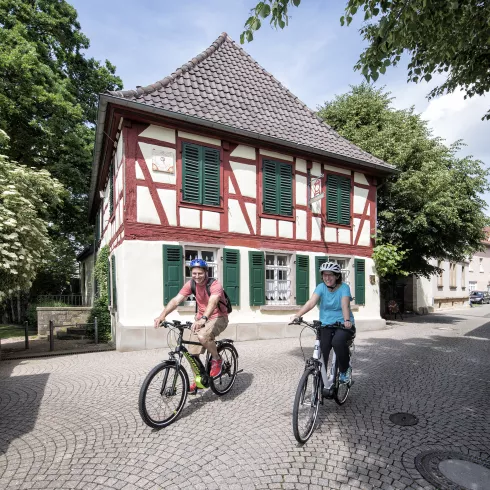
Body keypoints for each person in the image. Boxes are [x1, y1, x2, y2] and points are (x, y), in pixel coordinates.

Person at [154, 258, 229, 391]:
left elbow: (212, 302)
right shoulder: (191, 284)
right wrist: (162, 315)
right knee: (192, 353)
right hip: (201, 319)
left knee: (202, 337)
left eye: (200, 273)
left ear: (206, 272)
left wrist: (203, 318)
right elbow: (176, 300)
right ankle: (199, 380)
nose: (197, 276)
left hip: (219, 317)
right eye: (194, 273)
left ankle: (217, 359)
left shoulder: (214, 284)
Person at [291, 262, 355, 384]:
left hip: (343, 325)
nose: (327, 278)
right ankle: (321, 380)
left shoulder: (344, 288)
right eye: (325, 275)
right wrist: (297, 315)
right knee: (322, 350)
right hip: (326, 325)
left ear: (337, 276)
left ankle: (344, 371)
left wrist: (347, 320)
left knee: (337, 342)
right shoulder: (321, 287)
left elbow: (344, 305)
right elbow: (311, 302)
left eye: (330, 275)